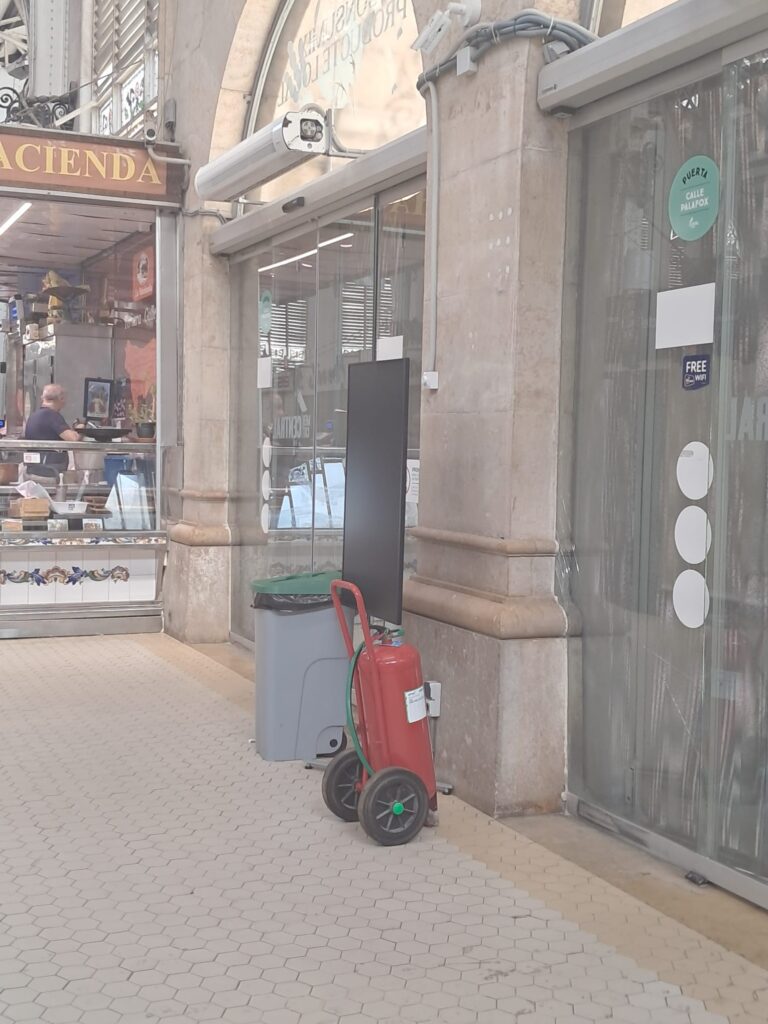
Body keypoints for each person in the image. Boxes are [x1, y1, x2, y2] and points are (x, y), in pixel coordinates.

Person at [23, 384, 81, 477]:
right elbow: (73, 438)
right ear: (61, 399)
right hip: (48, 472)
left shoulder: (33, 416)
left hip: (33, 470)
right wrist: (79, 429)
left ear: (42, 398)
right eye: (64, 399)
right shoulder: (52, 416)